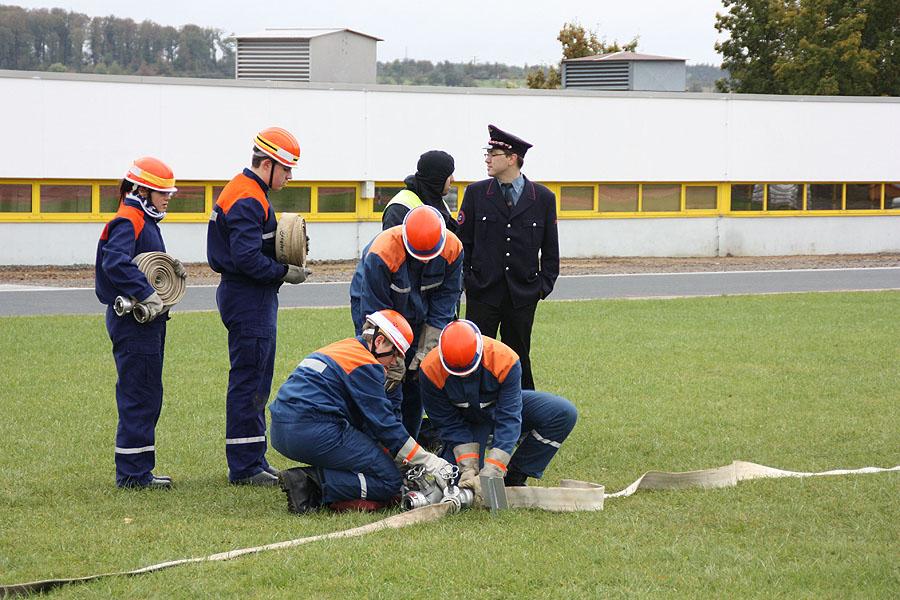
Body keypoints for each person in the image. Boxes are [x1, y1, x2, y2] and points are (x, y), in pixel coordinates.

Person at [207, 127, 310, 486]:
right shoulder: (248, 198)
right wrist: (285, 271)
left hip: (249, 295)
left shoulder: (246, 190)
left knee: (256, 380)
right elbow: (247, 258)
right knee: (250, 381)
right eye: (285, 168)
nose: (290, 176)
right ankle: (245, 467)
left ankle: (254, 458)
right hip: (248, 296)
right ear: (266, 164)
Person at [270, 309, 452, 512]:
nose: (394, 363)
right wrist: (427, 460)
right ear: (380, 341)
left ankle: (321, 481)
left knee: (377, 460)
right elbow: (385, 425)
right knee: (390, 481)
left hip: (282, 429)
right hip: (313, 429)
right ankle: (310, 483)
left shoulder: (345, 348)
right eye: (395, 354)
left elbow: (367, 421)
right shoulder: (365, 364)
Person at [95, 156, 186, 489]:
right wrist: (147, 292)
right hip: (133, 323)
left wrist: (170, 274)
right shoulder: (128, 219)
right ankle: (133, 475)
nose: (166, 199)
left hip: (146, 323)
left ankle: (139, 470)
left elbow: (146, 263)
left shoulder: (143, 220)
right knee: (139, 394)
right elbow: (115, 263)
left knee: (148, 393)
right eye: (161, 193)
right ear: (140, 190)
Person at [456, 124, 559, 390]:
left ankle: (524, 417)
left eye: (494, 153)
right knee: (476, 359)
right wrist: (470, 282)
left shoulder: (543, 198)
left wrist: (540, 288)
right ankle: (477, 418)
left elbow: (550, 253)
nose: (488, 159)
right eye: (487, 153)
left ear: (512, 158)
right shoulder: (476, 193)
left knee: (518, 359)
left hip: (521, 297)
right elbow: (462, 244)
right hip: (483, 294)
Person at [419, 319, 577, 494]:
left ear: (480, 353)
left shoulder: (505, 359)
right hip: (467, 423)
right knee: (458, 484)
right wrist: (468, 467)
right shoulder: (429, 370)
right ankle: (460, 463)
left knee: (563, 413)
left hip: (499, 408)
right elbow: (447, 422)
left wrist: (494, 468)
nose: (465, 377)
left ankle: (516, 475)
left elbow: (510, 416)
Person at [350, 205, 463, 439]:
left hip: (423, 316)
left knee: (418, 378)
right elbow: (376, 313)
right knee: (383, 375)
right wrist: (392, 357)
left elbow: (445, 302)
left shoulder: (453, 249)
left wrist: (425, 350)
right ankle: (377, 441)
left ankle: (408, 443)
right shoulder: (382, 253)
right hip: (379, 309)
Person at [381, 150, 457, 233]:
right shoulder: (399, 207)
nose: (453, 179)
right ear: (437, 178)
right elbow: (394, 243)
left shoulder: (438, 202)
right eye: (449, 175)